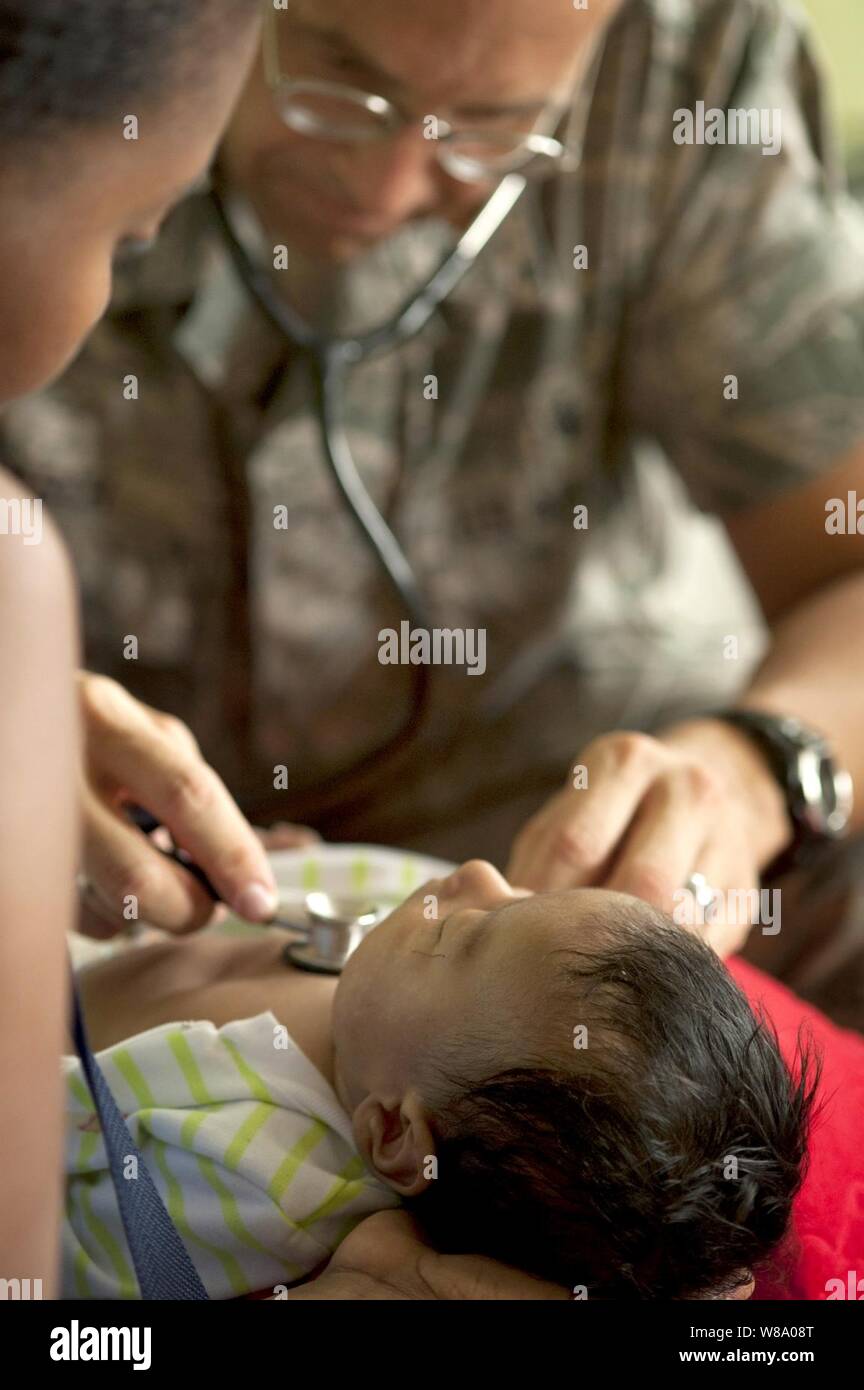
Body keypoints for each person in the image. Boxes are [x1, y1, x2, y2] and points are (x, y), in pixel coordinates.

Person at [5, 0, 863, 976]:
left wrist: (764, 769)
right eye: (336, 72)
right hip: (94, 845)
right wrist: (16, 718)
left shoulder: (690, 80)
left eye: (493, 126)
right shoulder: (53, 74)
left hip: (560, 828)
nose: (384, 185)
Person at [68, 860, 817, 1300]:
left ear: (393, 1133)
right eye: (521, 896)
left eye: (460, 933)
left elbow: (64, 1233)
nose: (478, 874)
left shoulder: (254, 1166)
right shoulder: (398, 1013)